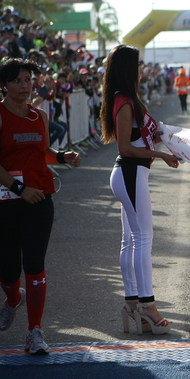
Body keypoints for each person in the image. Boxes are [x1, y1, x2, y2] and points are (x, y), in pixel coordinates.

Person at [0, 59, 81, 355]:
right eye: (17, 81)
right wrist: (19, 188)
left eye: (28, 80)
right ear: (4, 85)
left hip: (39, 199)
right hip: (7, 200)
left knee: (34, 264)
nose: (24, 86)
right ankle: (12, 299)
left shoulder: (40, 116)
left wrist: (63, 157)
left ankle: (35, 332)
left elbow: (41, 152)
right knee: (7, 270)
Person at [99, 45, 180, 335]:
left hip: (131, 175)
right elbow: (124, 147)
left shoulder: (129, 99)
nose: (142, 69)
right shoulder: (124, 100)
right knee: (143, 239)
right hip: (130, 173)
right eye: (138, 64)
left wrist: (164, 141)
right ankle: (148, 306)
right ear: (127, 68)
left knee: (131, 240)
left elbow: (141, 139)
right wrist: (161, 155)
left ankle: (133, 303)